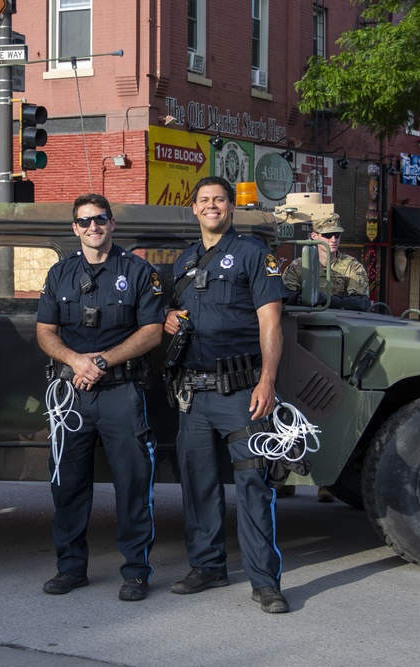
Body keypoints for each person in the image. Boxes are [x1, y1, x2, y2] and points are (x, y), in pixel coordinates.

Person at [165, 175, 292, 614]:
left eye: (219, 199)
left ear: (230, 209)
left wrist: (268, 381)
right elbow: (174, 311)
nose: (212, 206)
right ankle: (207, 566)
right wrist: (168, 319)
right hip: (194, 395)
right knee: (198, 485)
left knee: (253, 484)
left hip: (243, 391)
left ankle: (265, 582)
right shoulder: (183, 262)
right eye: (204, 200)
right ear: (194, 208)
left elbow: (270, 323)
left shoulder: (254, 255)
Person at [35, 193, 164, 602]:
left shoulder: (138, 271)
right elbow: (44, 331)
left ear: (112, 224)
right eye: (85, 221)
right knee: (68, 485)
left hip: (121, 392)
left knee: (132, 483)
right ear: (75, 228)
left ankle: (136, 571)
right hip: (71, 393)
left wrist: (102, 362)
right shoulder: (59, 274)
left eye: (100, 219)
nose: (93, 227)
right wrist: (76, 361)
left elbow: (152, 332)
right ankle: (71, 568)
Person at [281, 201, 370, 502]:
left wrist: (324, 301)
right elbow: (286, 296)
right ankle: (284, 476)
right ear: (315, 235)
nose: (334, 240)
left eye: (338, 235)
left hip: (339, 341)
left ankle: (326, 483)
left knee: (333, 412)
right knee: (290, 409)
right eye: (328, 234)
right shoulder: (298, 266)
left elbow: (361, 302)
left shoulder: (351, 267)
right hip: (302, 340)